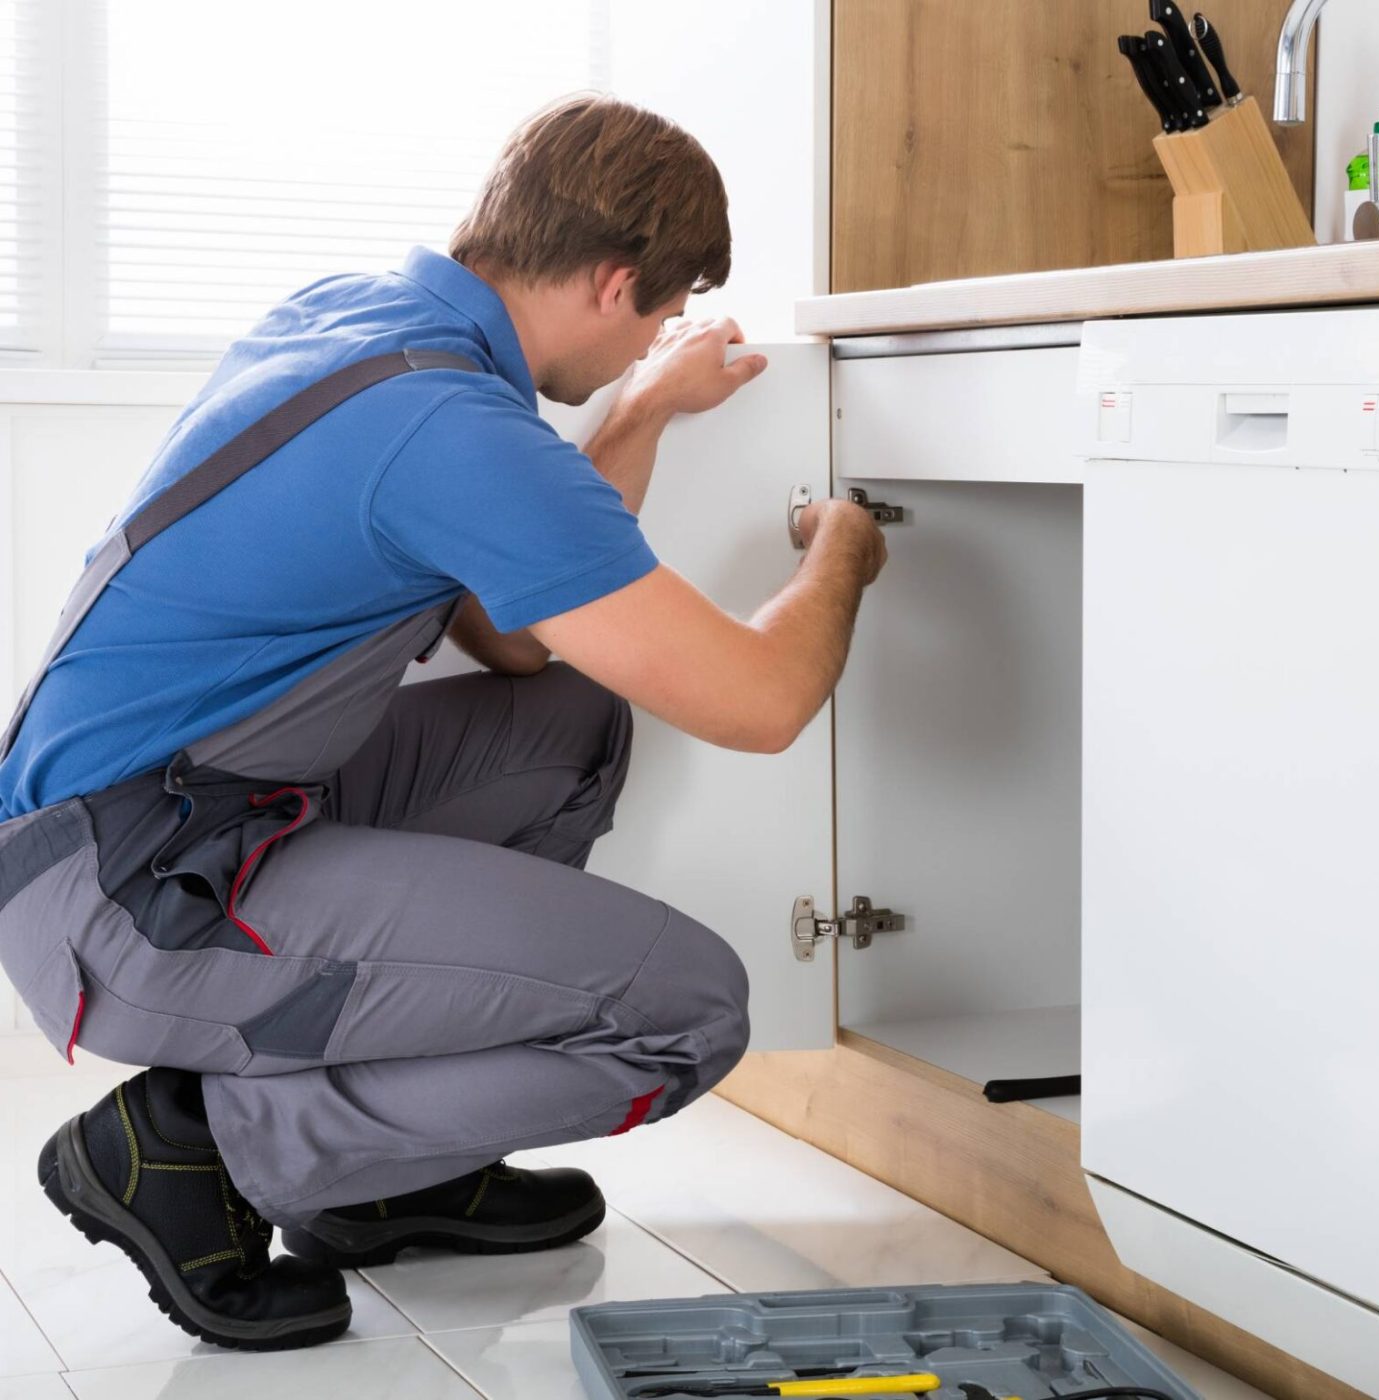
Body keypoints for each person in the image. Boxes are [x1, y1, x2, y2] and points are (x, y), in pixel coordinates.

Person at [0, 93, 887, 1351]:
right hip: (137, 894)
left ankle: (388, 1176)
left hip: (152, 817)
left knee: (569, 722)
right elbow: (763, 700)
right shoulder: (449, 426)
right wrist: (848, 544)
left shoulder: (365, 324)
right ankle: (200, 1145)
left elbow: (515, 641)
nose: (658, 336)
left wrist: (639, 410)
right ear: (615, 283)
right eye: (662, 312)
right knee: (688, 1011)